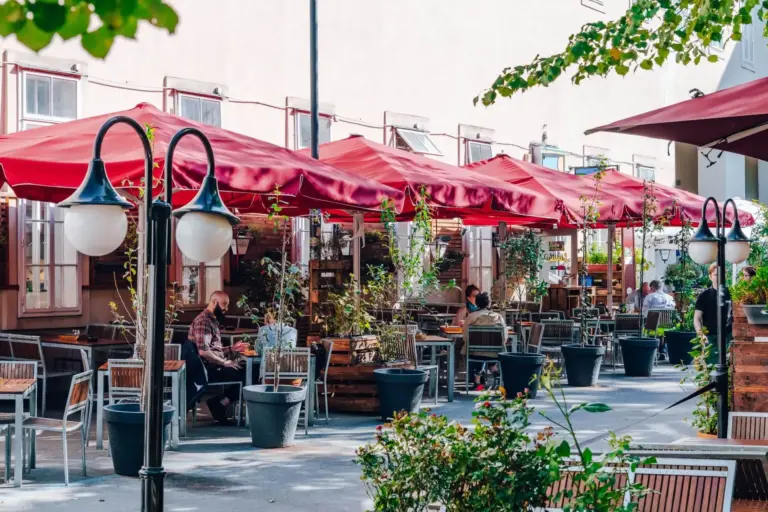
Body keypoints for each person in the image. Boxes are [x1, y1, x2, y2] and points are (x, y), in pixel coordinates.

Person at [188, 291, 248, 425]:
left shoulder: (211, 320)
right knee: (250, 373)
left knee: (251, 369)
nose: (226, 309)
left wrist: (231, 349)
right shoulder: (204, 322)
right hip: (207, 370)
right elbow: (203, 352)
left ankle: (220, 402)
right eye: (224, 304)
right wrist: (224, 362)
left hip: (214, 365)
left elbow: (212, 350)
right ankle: (219, 403)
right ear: (214, 302)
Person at [462, 292, 506, 390]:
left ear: (477, 303)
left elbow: (465, 337)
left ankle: (476, 378)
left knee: (473, 350)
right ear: (489, 304)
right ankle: (494, 368)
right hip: (494, 353)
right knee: (488, 352)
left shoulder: (471, 317)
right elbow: (504, 337)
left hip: (475, 352)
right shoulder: (498, 317)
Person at [694, 263, 732, 364]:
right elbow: (697, 318)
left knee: (729, 367)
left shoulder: (732, 293)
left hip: (728, 336)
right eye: (716, 275)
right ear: (710, 276)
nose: (719, 278)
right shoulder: (704, 295)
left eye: (721, 275)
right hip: (710, 336)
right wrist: (700, 334)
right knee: (711, 368)